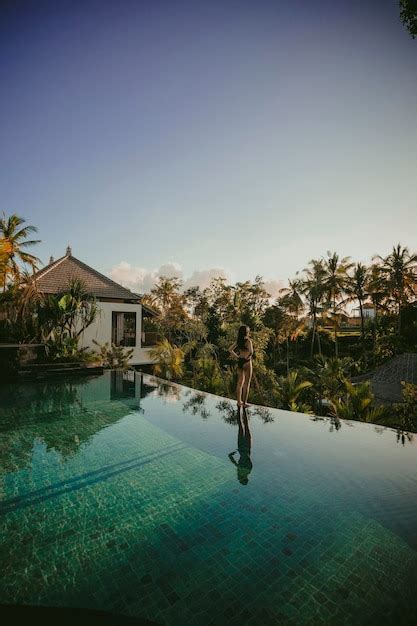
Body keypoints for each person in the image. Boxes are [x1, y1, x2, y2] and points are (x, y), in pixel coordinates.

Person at [229, 325, 253, 408]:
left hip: (240, 361)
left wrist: (237, 357)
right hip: (247, 362)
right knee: (247, 383)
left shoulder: (238, 341)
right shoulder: (248, 341)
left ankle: (239, 402)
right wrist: (247, 357)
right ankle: (244, 403)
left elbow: (230, 349)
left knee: (239, 382)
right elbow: (251, 351)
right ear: (246, 332)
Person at [228, 407, 252, 485]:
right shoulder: (244, 470)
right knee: (242, 427)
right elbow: (234, 461)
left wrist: (231, 455)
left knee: (244, 427)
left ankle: (240, 410)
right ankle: (240, 410)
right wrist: (231, 455)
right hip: (242, 447)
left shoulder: (247, 470)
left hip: (245, 446)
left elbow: (247, 458)